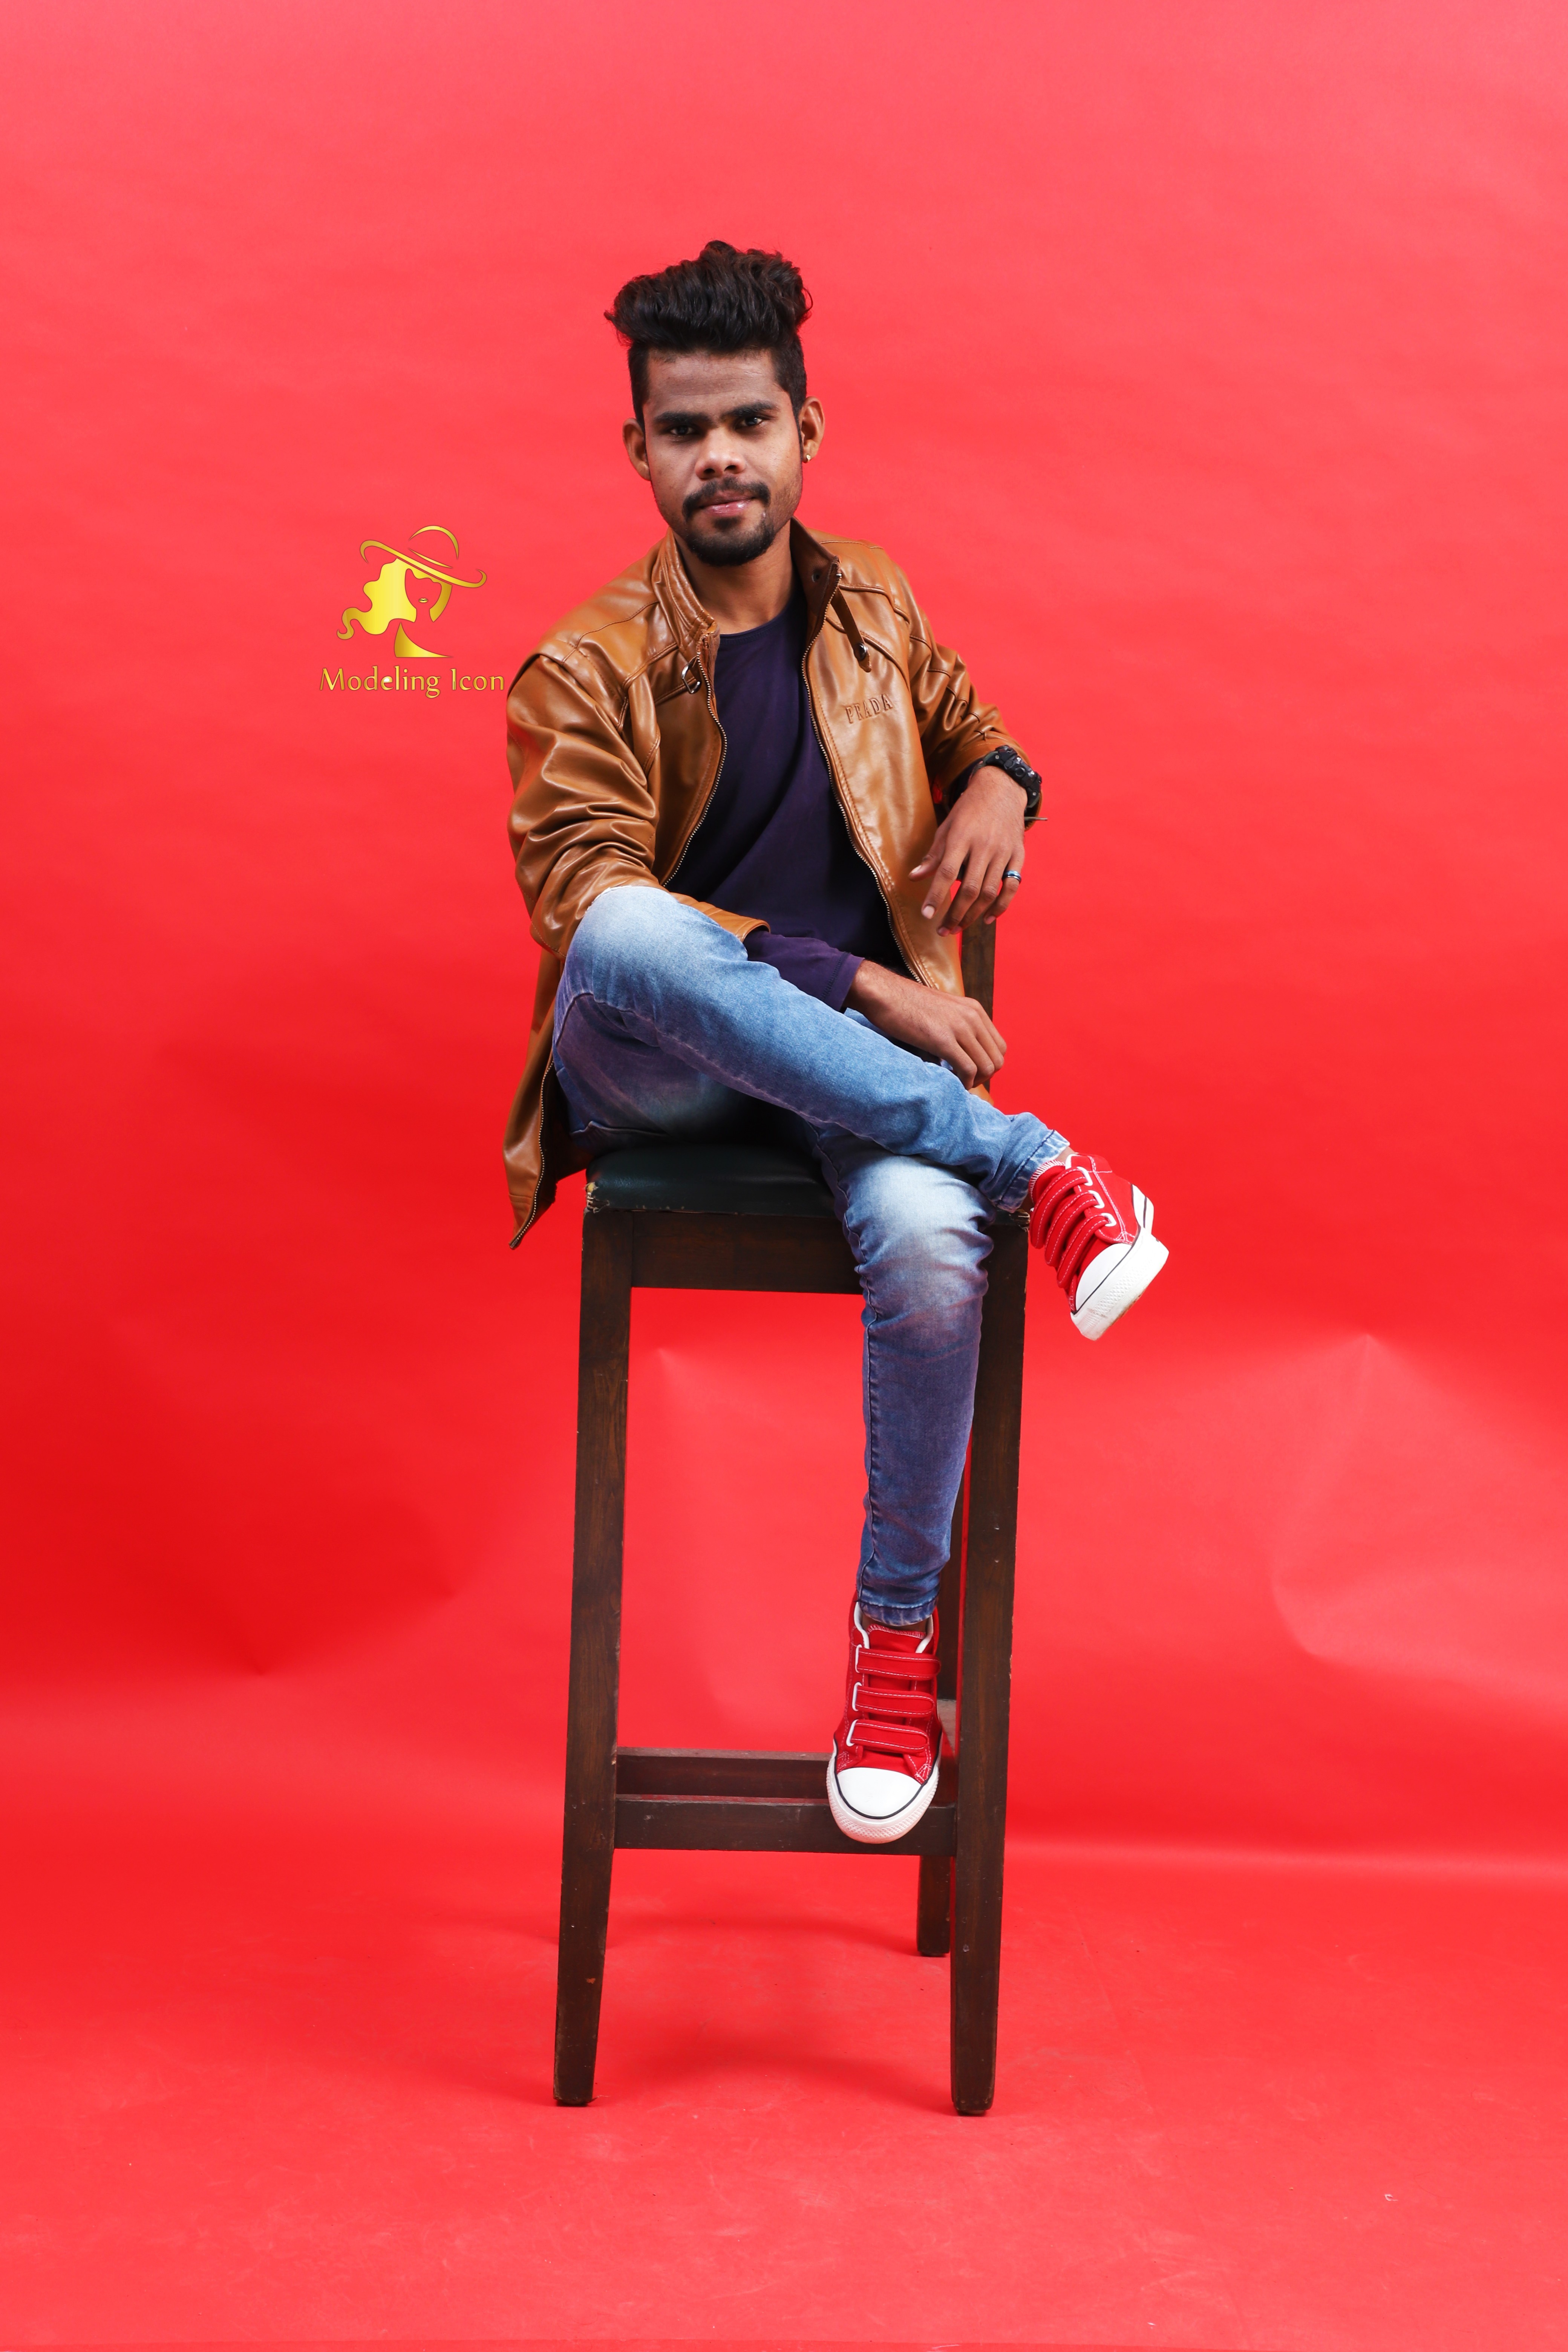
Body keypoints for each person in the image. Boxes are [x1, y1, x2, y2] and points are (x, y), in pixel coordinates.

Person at [504, 241, 1168, 1846]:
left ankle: (891, 1641)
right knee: (622, 930)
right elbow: (581, 898)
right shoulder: (580, 667)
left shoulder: (871, 599)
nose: (719, 456)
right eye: (684, 429)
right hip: (661, 1081)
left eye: (748, 421)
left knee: (935, 1247)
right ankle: (1036, 1165)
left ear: (806, 430)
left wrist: (1005, 781)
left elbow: (965, 718)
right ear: (639, 450)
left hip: (846, 1106)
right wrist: (867, 987)